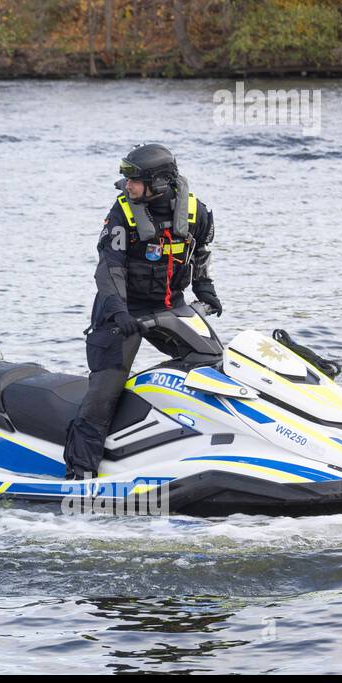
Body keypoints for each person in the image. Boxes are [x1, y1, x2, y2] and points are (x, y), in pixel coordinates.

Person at [63, 143, 221, 478]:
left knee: (214, 366)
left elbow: (201, 255)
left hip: (170, 306)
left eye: (134, 180)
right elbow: (110, 269)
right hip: (122, 311)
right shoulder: (122, 212)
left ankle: (207, 448)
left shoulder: (197, 213)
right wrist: (118, 311)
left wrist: (205, 291)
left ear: (161, 183)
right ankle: (79, 472)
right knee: (103, 393)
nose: (126, 185)